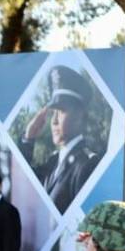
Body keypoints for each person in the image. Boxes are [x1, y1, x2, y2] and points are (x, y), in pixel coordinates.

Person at [21, 65, 101, 213]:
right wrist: (28, 139)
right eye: (53, 112)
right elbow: (23, 187)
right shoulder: (53, 162)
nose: (54, 120)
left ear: (79, 115)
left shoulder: (87, 165)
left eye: (62, 111)